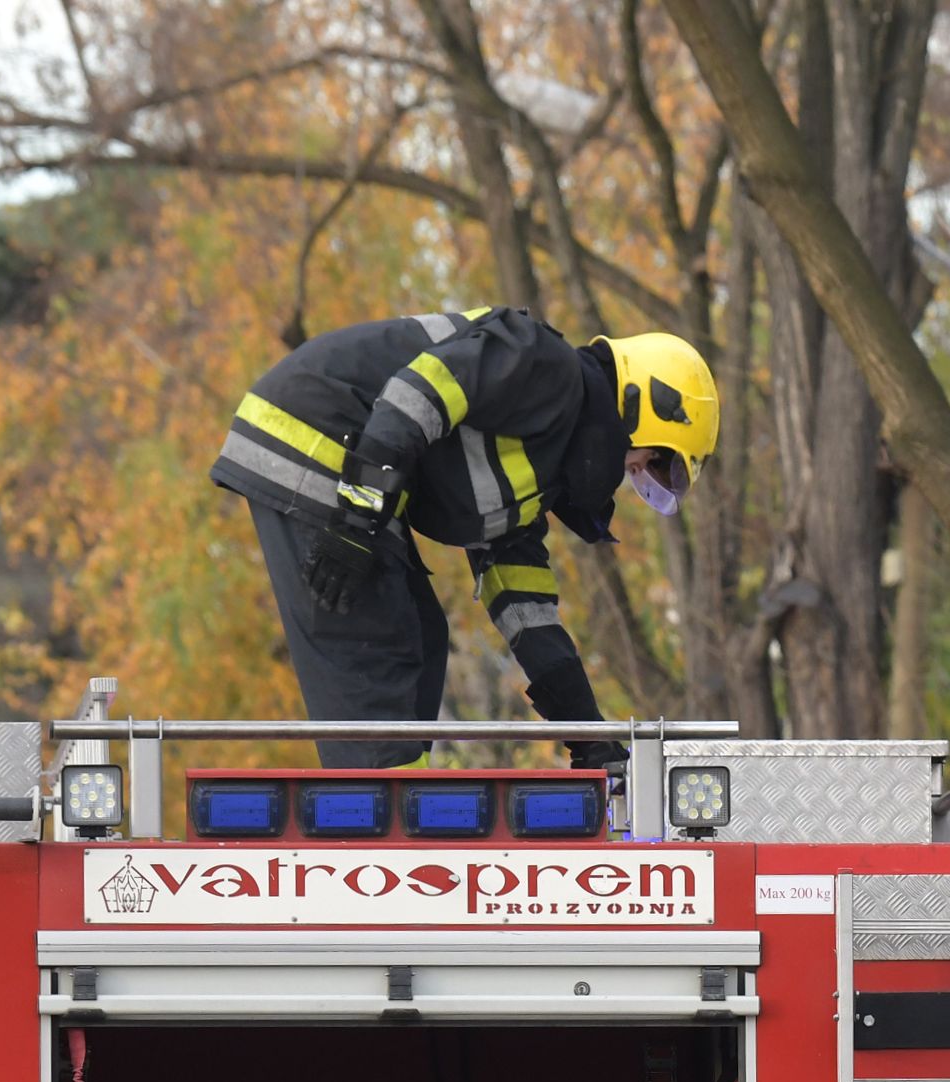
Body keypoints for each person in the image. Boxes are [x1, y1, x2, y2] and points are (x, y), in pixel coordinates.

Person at [209, 307, 718, 767]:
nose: (640, 475)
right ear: (644, 402)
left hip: (342, 465)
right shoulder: (541, 363)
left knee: (425, 633)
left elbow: (528, 613)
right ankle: (376, 828)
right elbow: (416, 397)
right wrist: (356, 523)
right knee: (381, 638)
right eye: (657, 459)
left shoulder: (535, 478)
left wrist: (586, 731)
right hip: (314, 435)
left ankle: (391, 813)